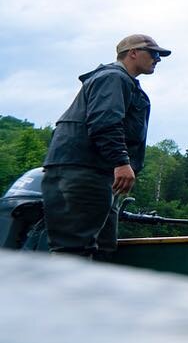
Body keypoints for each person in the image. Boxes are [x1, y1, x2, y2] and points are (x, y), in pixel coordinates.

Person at [41, 34, 171, 257]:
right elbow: (105, 122)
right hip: (83, 172)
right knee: (73, 251)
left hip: (99, 174)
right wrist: (121, 161)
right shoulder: (113, 78)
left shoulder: (122, 81)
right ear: (133, 53)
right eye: (154, 53)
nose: (158, 59)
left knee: (103, 248)